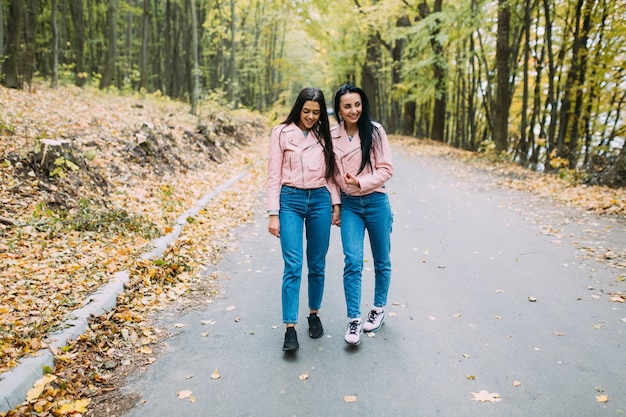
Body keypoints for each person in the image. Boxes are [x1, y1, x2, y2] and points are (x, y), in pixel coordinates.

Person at [267, 87, 341, 352]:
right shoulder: (281, 133)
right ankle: (290, 328)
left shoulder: (325, 136)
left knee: (317, 264)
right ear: (298, 108)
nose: (310, 116)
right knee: (293, 265)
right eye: (306, 111)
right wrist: (273, 213)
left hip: (320, 200)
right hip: (290, 201)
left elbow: (331, 175)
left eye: (316, 112)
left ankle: (313, 314)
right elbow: (273, 176)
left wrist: (335, 203)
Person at [332, 84, 393, 346]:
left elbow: (386, 168)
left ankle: (378, 309)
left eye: (357, 104)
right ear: (339, 110)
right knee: (353, 261)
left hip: (377, 201)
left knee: (382, 260)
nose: (353, 110)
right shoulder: (332, 136)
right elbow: (330, 177)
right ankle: (354, 319)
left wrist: (361, 182)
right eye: (347, 106)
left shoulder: (375, 131)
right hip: (350, 206)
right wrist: (337, 204)